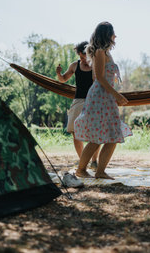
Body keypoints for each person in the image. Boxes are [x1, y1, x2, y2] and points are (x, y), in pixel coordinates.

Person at [74, 21, 132, 180]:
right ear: (107, 35)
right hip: (100, 97)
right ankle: (80, 170)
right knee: (97, 137)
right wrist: (116, 95)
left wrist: (113, 95)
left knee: (112, 135)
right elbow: (99, 77)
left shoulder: (106, 53)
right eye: (113, 33)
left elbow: (96, 76)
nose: (115, 36)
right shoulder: (99, 52)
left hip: (105, 96)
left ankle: (100, 171)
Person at [56, 41, 99, 169]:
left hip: (94, 102)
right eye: (80, 57)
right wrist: (59, 74)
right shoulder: (75, 65)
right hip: (78, 101)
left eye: (84, 56)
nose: (82, 59)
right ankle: (83, 161)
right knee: (75, 132)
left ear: (89, 54)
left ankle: (94, 161)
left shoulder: (96, 64)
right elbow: (63, 79)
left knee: (96, 133)